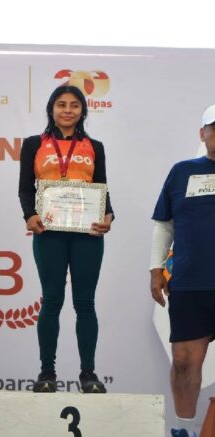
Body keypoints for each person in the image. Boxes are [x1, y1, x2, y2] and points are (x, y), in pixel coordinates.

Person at [18, 85, 113, 393]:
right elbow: (25, 187)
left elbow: (101, 186)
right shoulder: (34, 144)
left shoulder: (94, 146)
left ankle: (88, 374)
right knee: (52, 300)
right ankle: (47, 373)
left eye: (74, 105)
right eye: (61, 104)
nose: (68, 110)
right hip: (49, 232)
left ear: (83, 111)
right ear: (51, 109)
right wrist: (29, 215)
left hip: (87, 232)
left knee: (85, 302)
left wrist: (109, 215)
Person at [150, 104, 215, 437]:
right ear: (202, 133)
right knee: (185, 361)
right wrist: (155, 268)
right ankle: (185, 429)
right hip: (191, 283)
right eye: (214, 128)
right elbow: (165, 224)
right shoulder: (182, 171)